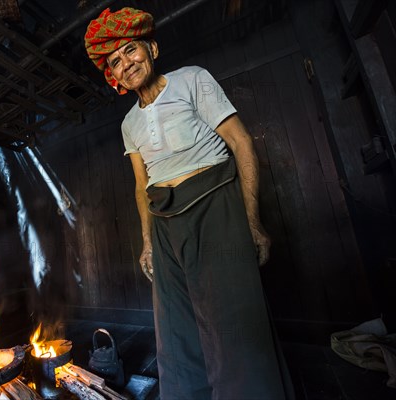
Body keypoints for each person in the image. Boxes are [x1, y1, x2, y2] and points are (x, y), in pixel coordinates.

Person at [85, 7, 294, 400]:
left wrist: (252, 220)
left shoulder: (191, 79)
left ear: (152, 48)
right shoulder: (129, 123)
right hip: (164, 223)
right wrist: (147, 242)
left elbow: (241, 142)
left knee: (233, 323)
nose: (126, 63)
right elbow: (140, 186)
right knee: (176, 332)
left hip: (215, 205)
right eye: (115, 62)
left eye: (131, 50)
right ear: (114, 78)